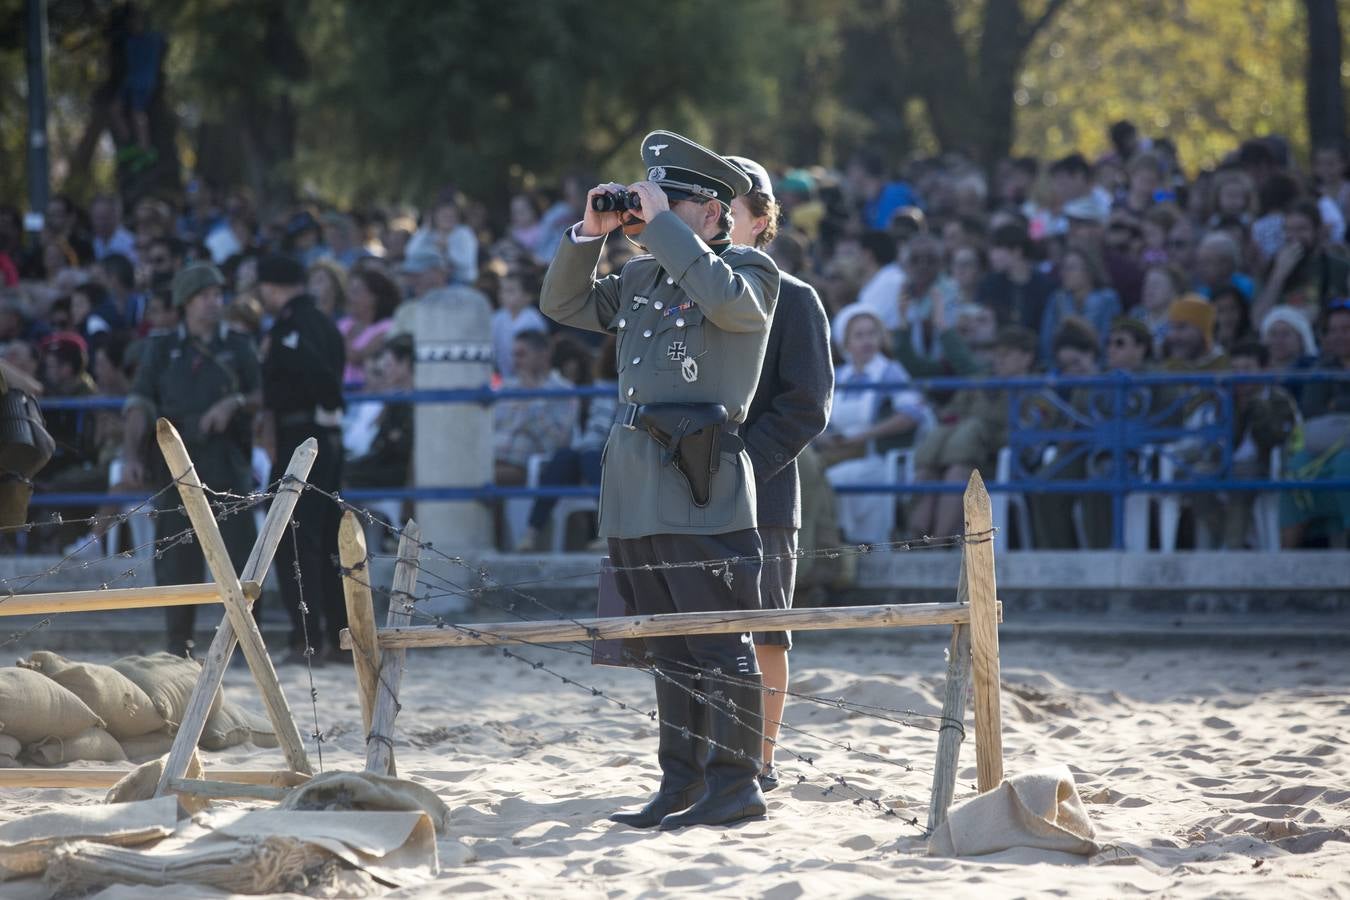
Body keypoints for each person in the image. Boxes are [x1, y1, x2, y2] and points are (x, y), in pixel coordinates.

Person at [539, 130, 778, 830]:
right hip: (638, 486)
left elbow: (732, 307)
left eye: (669, 203)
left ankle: (737, 787)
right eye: (650, 202)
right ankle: (682, 782)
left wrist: (666, 229)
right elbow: (564, 305)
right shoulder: (642, 276)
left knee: (716, 639)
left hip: (702, 485)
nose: (650, 215)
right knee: (665, 643)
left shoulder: (749, 273)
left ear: (714, 213)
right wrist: (589, 232)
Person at [725, 154, 833, 793]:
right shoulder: (675, 289)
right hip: (680, 493)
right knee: (686, 633)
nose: (711, 221)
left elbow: (807, 405)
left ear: (762, 219)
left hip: (763, 487)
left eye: (727, 210)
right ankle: (698, 755)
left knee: (767, 629)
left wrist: (739, 462)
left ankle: (758, 760)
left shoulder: (795, 300)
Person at [121, 263, 260, 655]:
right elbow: (139, 402)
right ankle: (178, 645)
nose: (212, 303)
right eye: (203, 296)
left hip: (224, 457)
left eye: (217, 294)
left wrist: (233, 402)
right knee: (176, 557)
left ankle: (248, 641)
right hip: (174, 457)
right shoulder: (161, 348)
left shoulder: (237, 345)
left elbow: (259, 395)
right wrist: (131, 454)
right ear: (185, 302)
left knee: (239, 551)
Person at [258, 253, 347, 663]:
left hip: (301, 440)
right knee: (330, 540)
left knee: (292, 537)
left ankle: (307, 639)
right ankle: (341, 635)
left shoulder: (291, 327)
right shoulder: (326, 323)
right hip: (329, 437)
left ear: (273, 287)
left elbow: (319, 383)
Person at [818, 306, 927, 544]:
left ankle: (848, 541)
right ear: (845, 342)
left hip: (877, 458)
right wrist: (825, 437)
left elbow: (912, 413)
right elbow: (820, 418)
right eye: (859, 335)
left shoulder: (890, 371)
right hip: (841, 454)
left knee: (832, 480)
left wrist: (865, 436)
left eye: (872, 334)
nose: (867, 341)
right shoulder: (838, 375)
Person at [1281, 302, 1350, 548]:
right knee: (1295, 467)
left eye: (1346, 329)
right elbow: (1311, 410)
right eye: (1333, 330)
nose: (1339, 336)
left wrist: (1335, 405)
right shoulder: (1321, 369)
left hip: (1341, 448)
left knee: (1345, 463)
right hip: (1325, 443)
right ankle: (1286, 559)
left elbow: (1326, 409)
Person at [492, 329, 575, 488]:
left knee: (471, 480)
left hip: (523, 463)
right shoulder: (508, 387)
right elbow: (491, 426)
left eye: (521, 354)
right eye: (514, 355)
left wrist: (533, 398)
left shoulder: (563, 391)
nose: (515, 361)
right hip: (490, 457)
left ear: (543, 354)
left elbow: (556, 443)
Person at [1040, 246, 1120, 362]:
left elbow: (1108, 339)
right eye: (1063, 268)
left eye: (1071, 268)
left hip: (1098, 371)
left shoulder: (1108, 299)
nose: (1064, 273)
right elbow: (1046, 341)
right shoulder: (1057, 299)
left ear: (1089, 271)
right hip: (1061, 370)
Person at [977, 224, 1057, 331]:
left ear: (1016, 251)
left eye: (998, 249)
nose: (992, 256)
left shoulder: (1046, 287)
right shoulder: (989, 285)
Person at [337, 268, 400, 387]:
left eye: (355, 292)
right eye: (349, 291)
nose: (349, 298)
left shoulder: (387, 327)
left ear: (374, 297)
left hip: (367, 393)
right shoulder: (343, 324)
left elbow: (357, 357)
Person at [491, 268, 549, 378]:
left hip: (529, 377)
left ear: (527, 296)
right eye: (502, 290)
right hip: (504, 376)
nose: (503, 295)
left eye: (510, 291)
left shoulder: (534, 320)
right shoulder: (497, 319)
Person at [1162, 294, 1227, 372]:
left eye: (1181, 327)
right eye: (1171, 328)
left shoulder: (1227, 369)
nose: (1172, 335)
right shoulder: (1169, 368)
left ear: (1203, 331)